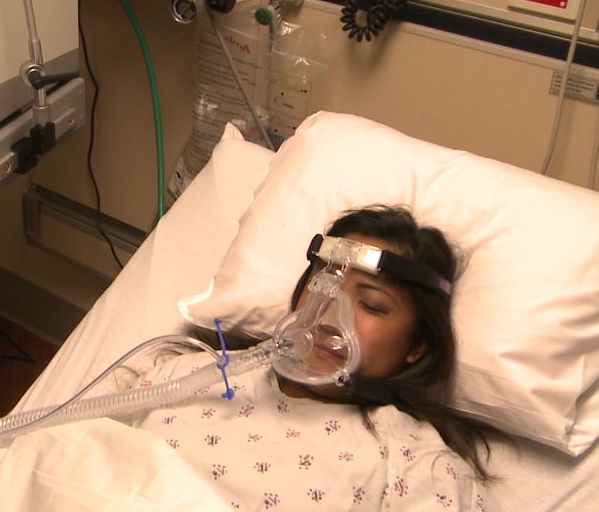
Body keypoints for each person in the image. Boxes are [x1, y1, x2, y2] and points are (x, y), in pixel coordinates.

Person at [110, 205, 503, 510]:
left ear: (417, 346)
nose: (328, 317)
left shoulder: (414, 465)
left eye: (371, 304)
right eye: (321, 284)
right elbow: (77, 461)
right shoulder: (189, 374)